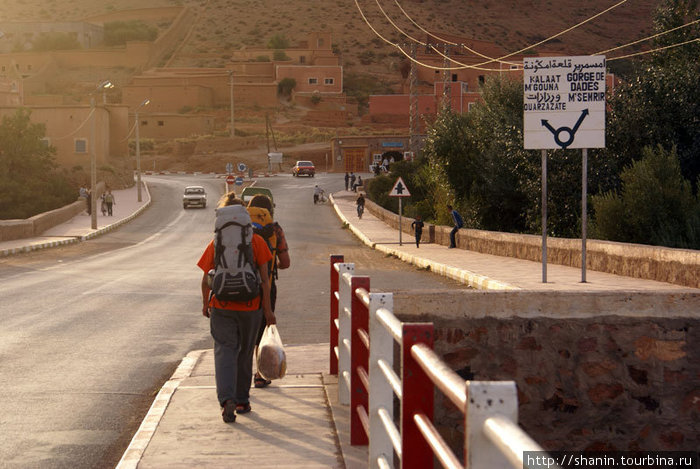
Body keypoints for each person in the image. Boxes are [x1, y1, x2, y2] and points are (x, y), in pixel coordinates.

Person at [197, 192, 275, 423]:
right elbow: (264, 280)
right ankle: (242, 400)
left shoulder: (216, 242)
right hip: (251, 307)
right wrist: (268, 311)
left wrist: (204, 303)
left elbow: (205, 278)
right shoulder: (257, 241)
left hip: (220, 305)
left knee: (224, 351)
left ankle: (226, 400)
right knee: (244, 352)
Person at [247, 194, 290, 389]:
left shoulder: (239, 228)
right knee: (262, 330)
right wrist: (273, 265)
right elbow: (286, 263)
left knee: (243, 332)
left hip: (240, 286)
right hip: (267, 285)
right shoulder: (275, 230)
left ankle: (240, 375)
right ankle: (260, 374)